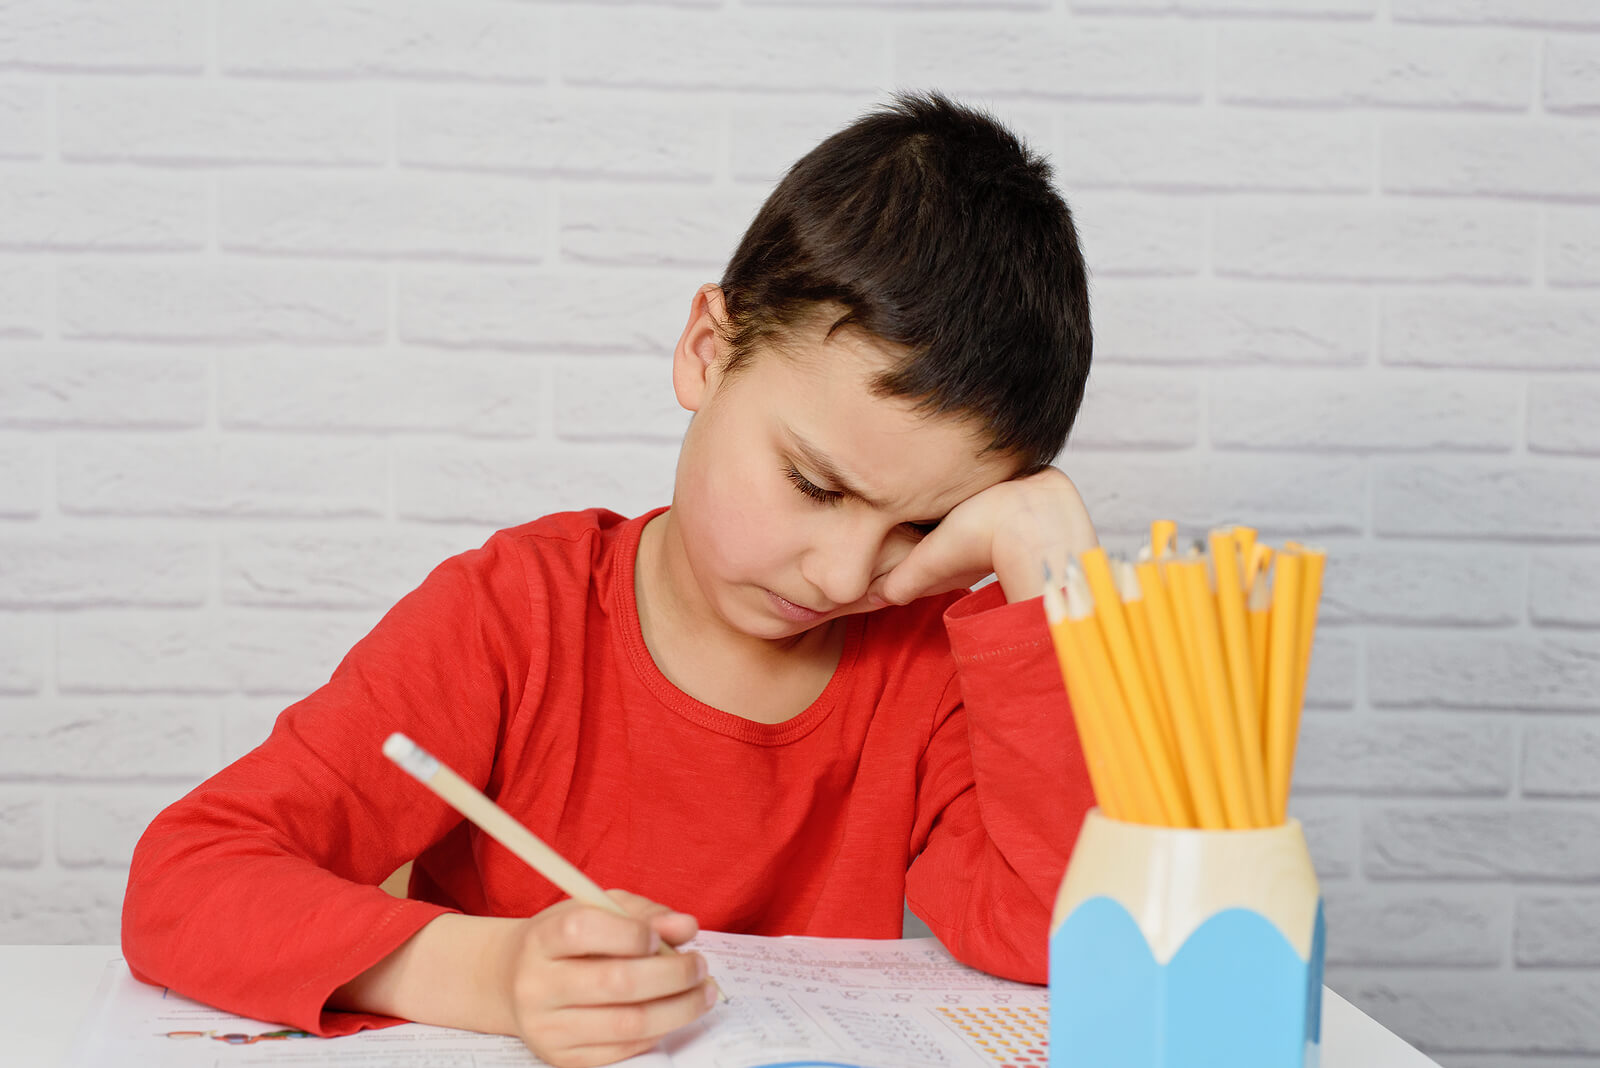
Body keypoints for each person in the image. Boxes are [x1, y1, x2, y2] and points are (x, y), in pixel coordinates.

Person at [121, 91, 1099, 1068]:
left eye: (925, 527)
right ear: (707, 354)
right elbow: (184, 880)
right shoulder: (512, 619)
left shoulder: (929, 661)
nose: (846, 575)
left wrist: (1054, 582)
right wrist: (496, 975)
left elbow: (1063, 941)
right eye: (811, 484)